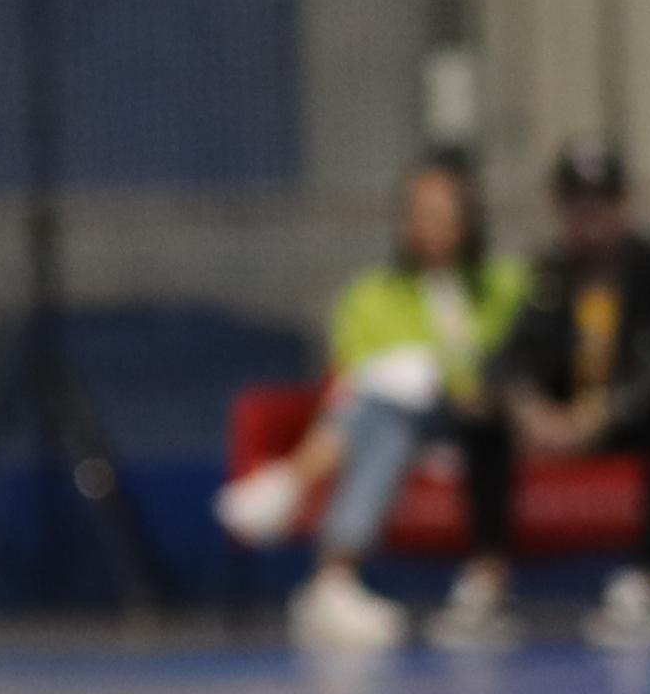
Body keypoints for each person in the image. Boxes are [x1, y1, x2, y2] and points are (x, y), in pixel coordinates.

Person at [219, 151, 526, 657]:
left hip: (477, 430)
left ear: (470, 221)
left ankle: (291, 487)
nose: (433, 229)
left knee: (392, 401)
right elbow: (354, 378)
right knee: (387, 416)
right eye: (422, 215)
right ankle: (333, 583)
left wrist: (452, 378)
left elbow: (510, 361)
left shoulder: (505, 284)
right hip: (396, 427)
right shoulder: (368, 296)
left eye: (446, 215)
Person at [505, 133, 650, 655]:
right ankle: (484, 578)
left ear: (623, 205)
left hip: (631, 418)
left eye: (601, 204)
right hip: (560, 423)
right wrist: (529, 408)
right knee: (481, 419)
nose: (589, 218)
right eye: (577, 205)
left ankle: (647, 580)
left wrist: (610, 409)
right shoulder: (547, 274)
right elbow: (509, 355)